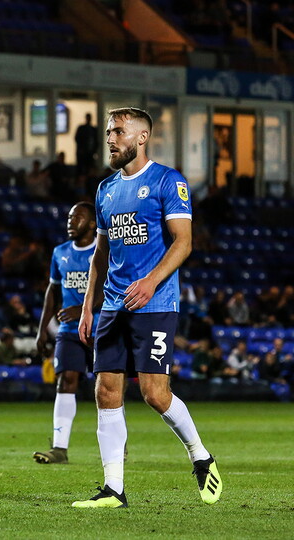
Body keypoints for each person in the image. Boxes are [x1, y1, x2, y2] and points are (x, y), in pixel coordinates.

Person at [74, 107, 221, 509]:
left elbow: (183, 242)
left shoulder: (167, 181)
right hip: (113, 306)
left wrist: (151, 280)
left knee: (155, 394)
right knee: (106, 391)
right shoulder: (105, 189)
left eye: (118, 132)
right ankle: (113, 489)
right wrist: (88, 306)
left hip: (155, 303)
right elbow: (100, 254)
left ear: (141, 138)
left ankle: (200, 455)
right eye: (108, 132)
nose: (110, 139)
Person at [33, 201, 99, 465]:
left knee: (108, 387)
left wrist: (84, 308)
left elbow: (113, 288)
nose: (71, 222)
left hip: (101, 328)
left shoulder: (103, 251)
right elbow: (53, 292)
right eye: (70, 217)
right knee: (66, 380)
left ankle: (119, 440)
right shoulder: (60, 252)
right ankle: (60, 448)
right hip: (69, 330)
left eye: (78, 218)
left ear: (93, 224)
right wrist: (41, 330)